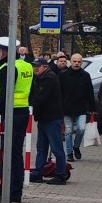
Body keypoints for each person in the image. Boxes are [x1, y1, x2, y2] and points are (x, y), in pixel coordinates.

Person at [0, 38, 33, 202]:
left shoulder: (7, 68)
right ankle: (15, 192)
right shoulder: (26, 66)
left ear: (3, 51)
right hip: (23, 112)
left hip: (9, 114)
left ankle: (6, 192)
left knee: (6, 154)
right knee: (16, 154)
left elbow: (5, 94)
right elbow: (32, 90)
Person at [29, 57, 69, 185]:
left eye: (38, 66)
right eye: (34, 66)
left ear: (45, 67)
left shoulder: (49, 78)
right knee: (41, 147)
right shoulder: (41, 77)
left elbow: (40, 97)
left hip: (52, 118)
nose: (35, 68)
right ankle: (38, 173)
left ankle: (61, 174)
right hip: (44, 118)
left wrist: (29, 106)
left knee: (56, 147)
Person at [58, 53, 96, 161]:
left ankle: (76, 146)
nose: (76, 63)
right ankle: (69, 153)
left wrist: (92, 107)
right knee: (68, 131)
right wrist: (59, 105)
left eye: (79, 62)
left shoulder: (85, 75)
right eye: (74, 61)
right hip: (66, 108)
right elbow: (59, 92)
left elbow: (90, 92)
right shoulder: (63, 75)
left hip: (81, 108)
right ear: (71, 61)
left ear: (81, 63)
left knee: (81, 129)